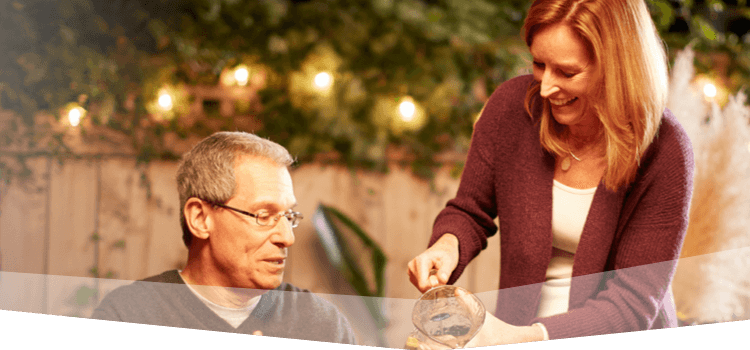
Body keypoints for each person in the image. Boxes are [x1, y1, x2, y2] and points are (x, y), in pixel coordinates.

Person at [408, 0, 694, 346]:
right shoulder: (512, 109)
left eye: (567, 73)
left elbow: (632, 303)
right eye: (539, 65)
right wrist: (448, 244)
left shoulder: (666, 150)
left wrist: (523, 336)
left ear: (618, 68)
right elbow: (470, 210)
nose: (545, 88)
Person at [91, 131, 357, 345]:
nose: (287, 238)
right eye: (263, 215)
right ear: (200, 219)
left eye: (289, 216)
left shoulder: (321, 324)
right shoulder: (129, 312)